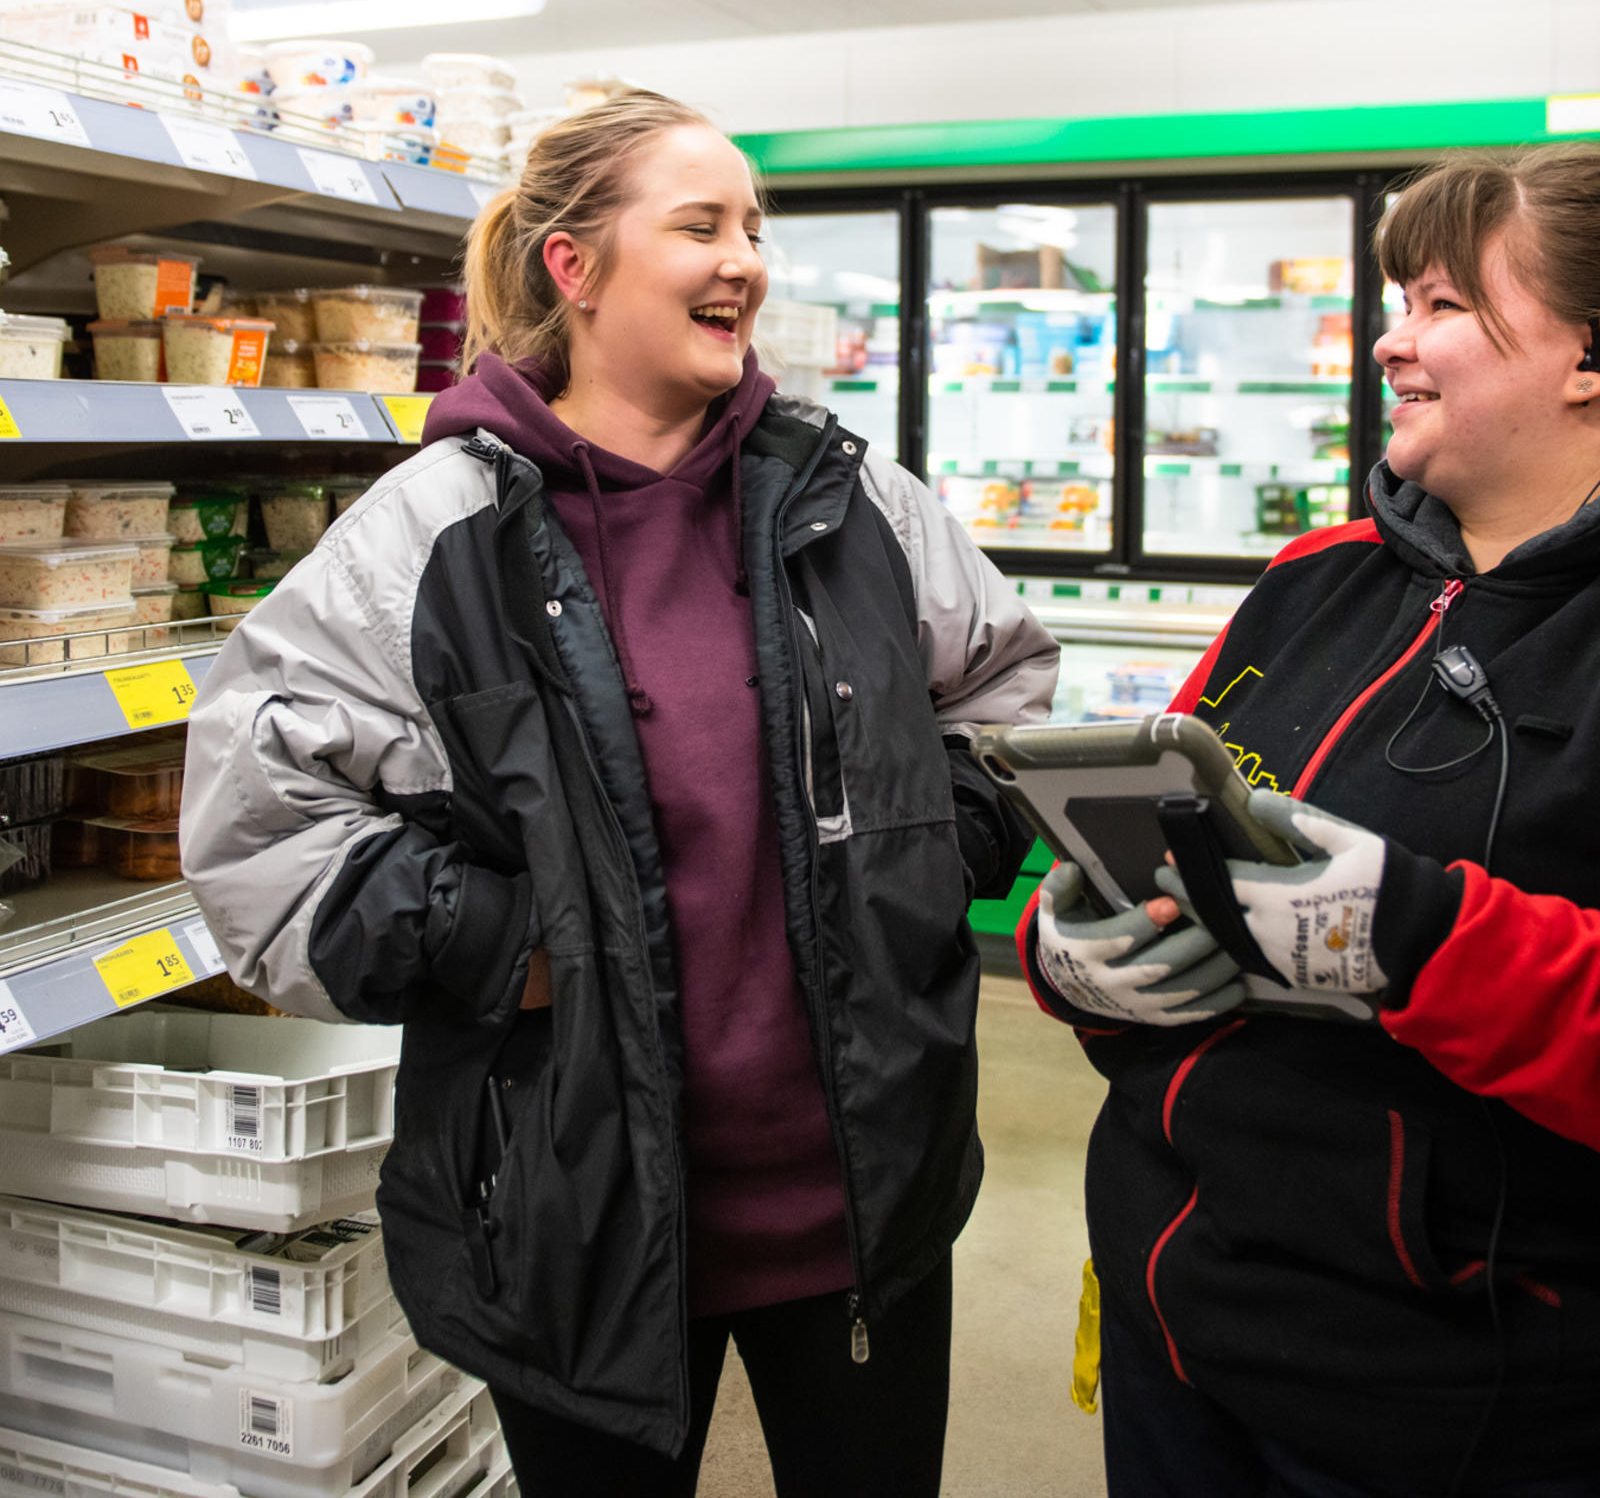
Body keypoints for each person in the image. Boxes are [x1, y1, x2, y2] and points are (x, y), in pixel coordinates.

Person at [179, 88, 1059, 1497]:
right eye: (701, 226)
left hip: (863, 1192)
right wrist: (504, 945)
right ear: (573, 266)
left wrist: (924, 860)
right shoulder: (435, 533)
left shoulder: (852, 501)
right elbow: (260, 820)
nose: (744, 262)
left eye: (754, 228)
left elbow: (1000, 689)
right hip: (577, 1208)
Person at [1020, 144, 1600, 1498]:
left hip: (1451, 1398)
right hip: (1179, 1325)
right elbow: (1158, 833)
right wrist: (1074, 956)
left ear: (1587, 355)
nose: (1392, 341)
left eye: (1444, 305)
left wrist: (1414, 936)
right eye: (1399, 303)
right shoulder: (1312, 578)